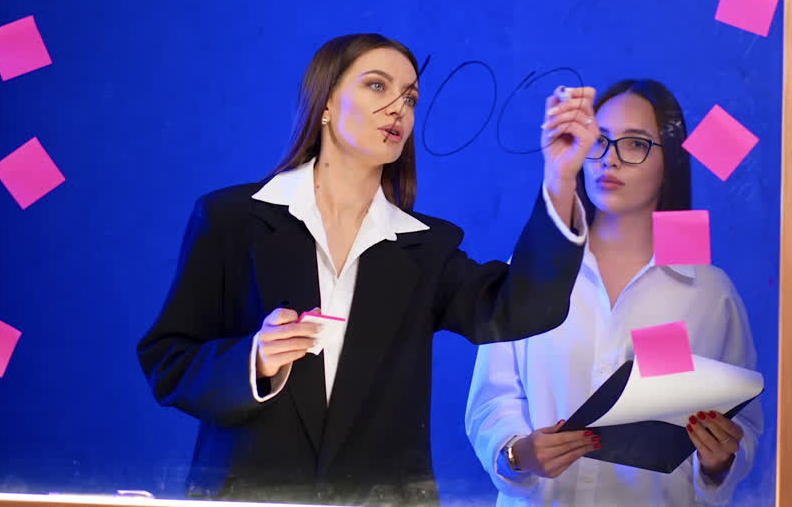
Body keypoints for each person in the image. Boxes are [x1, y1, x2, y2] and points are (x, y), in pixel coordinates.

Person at [137, 33, 601, 506]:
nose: (398, 107)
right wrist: (253, 360)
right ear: (325, 105)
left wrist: (560, 178)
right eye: (377, 86)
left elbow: (522, 310)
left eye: (411, 97)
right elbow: (168, 360)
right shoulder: (231, 219)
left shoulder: (426, 247)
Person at [465, 79, 764, 506]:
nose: (611, 161)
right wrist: (518, 452)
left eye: (636, 144)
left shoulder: (708, 292)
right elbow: (492, 399)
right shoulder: (533, 271)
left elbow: (745, 426)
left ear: (670, 163)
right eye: (599, 142)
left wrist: (718, 462)